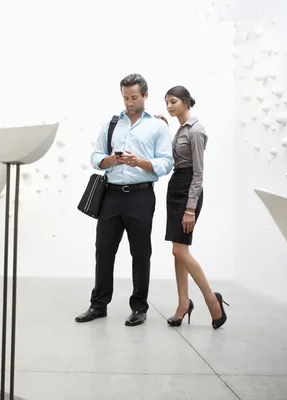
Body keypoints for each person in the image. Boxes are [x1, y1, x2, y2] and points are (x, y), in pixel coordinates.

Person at [75, 73, 174, 327]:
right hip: (111, 195)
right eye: (125, 98)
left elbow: (167, 162)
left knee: (140, 253)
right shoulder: (111, 124)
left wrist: (139, 162)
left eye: (134, 97)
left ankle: (139, 307)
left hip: (141, 195)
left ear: (145, 95)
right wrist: (111, 160)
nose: (129, 103)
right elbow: (96, 156)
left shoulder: (158, 127)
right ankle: (98, 305)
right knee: (104, 251)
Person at [162, 85, 228, 329]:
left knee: (181, 252)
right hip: (175, 188)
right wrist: (166, 128)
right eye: (167, 102)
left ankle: (212, 301)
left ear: (186, 102)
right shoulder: (180, 130)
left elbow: (199, 174)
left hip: (189, 191)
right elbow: (173, 160)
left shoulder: (196, 131)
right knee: (178, 250)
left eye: (174, 101)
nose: (169, 106)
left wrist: (190, 209)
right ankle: (183, 303)